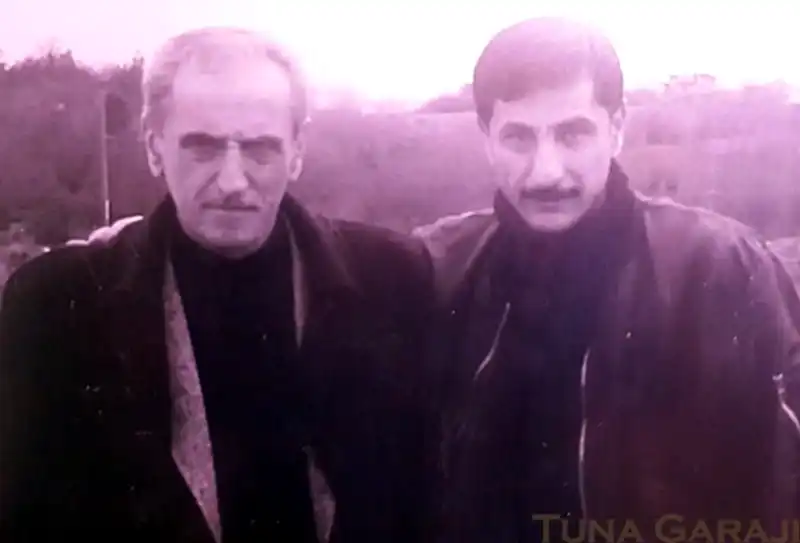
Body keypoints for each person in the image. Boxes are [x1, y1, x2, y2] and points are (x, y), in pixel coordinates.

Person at [0, 27, 437, 543]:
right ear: (154, 148)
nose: (233, 181)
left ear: (297, 152)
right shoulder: (59, 304)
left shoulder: (393, 279)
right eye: (203, 148)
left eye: (259, 149)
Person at [410, 17, 800, 543]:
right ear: (486, 139)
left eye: (572, 134)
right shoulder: (444, 266)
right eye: (518, 137)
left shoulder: (718, 264)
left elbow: (781, 486)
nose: (546, 172)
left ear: (616, 129)